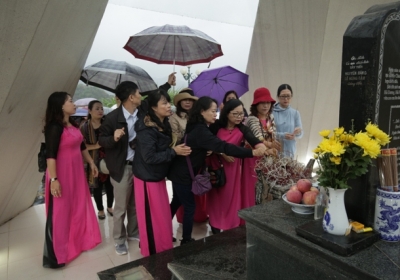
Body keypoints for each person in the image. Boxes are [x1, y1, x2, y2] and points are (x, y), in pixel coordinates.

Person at [168, 96, 266, 245]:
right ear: (202, 111)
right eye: (213, 111)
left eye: (216, 111)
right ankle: (186, 241)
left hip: (183, 171)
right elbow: (223, 146)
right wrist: (251, 153)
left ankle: (161, 230)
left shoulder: (198, 126)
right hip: (183, 173)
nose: (215, 114)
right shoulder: (203, 130)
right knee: (189, 207)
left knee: (177, 202)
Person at [99, 74, 176, 255]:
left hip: (140, 165)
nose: (141, 96)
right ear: (131, 97)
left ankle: (134, 232)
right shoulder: (112, 118)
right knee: (120, 207)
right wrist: (113, 138)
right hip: (121, 166)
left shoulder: (142, 111)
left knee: (135, 203)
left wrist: (168, 84)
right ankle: (119, 239)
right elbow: (102, 140)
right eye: (138, 93)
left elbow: (156, 98)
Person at [43, 92, 101, 268]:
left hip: (76, 173)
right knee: (61, 212)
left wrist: (91, 162)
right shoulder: (54, 127)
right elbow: (50, 155)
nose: (73, 104)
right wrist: (54, 179)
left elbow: (82, 146)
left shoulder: (73, 124)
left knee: (78, 207)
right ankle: (58, 254)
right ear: (61, 105)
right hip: (61, 174)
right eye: (70, 101)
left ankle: (79, 243)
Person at [133, 91, 191, 256]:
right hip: (147, 178)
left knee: (161, 217)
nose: (168, 106)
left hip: (157, 176)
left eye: (168, 102)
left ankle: (162, 246)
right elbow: (150, 157)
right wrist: (174, 152)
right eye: (164, 103)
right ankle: (153, 253)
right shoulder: (146, 128)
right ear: (153, 107)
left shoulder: (162, 122)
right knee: (151, 219)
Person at [207, 99, 265, 233]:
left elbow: (255, 141)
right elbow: (208, 143)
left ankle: (230, 224)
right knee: (216, 197)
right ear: (227, 113)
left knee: (230, 197)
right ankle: (215, 225)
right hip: (216, 167)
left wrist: (262, 147)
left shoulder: (242, 129)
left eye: (241, 114)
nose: (239, 117)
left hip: (232, 169)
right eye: (236, 114)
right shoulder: (216, 127)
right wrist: (222, 152)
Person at [242, 87, 280, 208]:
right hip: (254, 158)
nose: (265, 105)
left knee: (267, 186)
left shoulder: (271, 118)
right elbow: (257, 138)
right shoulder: (251, 119)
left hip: (268, 158)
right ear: (256, 104)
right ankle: (251, 211)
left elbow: (272, 135)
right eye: (262, 103)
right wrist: (270, 145)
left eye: (268, 102)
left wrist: (274, 145)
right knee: (253, 185)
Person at [80, 100, 114, 220]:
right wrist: (96, 146)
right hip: (93, 159)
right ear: (90, 111)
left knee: (110, 185)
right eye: (97, 108)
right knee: (96, 187)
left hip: (109, 158)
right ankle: (100, 210)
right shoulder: (84, 127)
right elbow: (81, 146)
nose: (100, 111)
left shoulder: (108, 124)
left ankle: (110, 206)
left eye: (101, 108)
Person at [273, 84, 303, 158]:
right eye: (283, 96)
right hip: (275, 149)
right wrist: (283, 135)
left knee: (289, 168)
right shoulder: (272, 112)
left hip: (290, 150)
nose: (286, 99)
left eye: (288, 96)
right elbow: (269, 134)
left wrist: (298, 132)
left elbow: (301, 134)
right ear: (278, 97)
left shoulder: (295, 113)